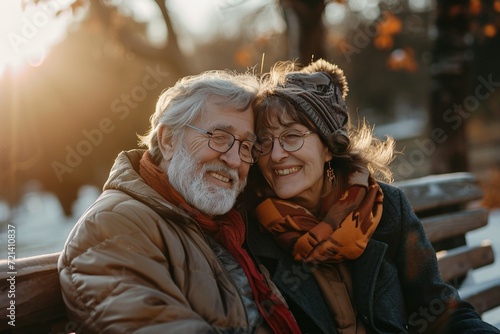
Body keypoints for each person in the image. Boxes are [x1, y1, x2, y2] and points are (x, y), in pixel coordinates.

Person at [244, 59, 500, 333]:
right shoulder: (249, 229)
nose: (276, 154)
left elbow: (438, 307)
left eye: (292, 136)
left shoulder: (385, 207)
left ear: (329, 147)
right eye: (264, 140)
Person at [57, 69, 302, 333]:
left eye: (245, 147)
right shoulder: (111, 225)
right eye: (219, 137)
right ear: (168, 140)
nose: (234, 160)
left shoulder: (227, 225)